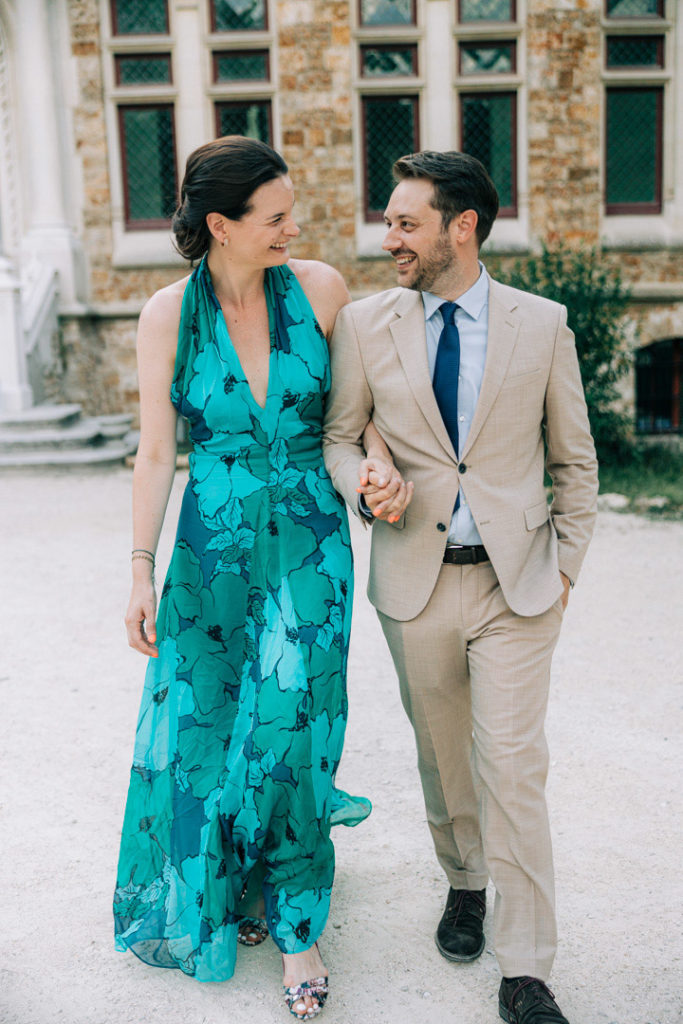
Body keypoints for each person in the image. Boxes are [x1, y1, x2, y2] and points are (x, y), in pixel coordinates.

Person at [114, 135, 408, 1021]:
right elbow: (156, 452)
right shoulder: (167, 315)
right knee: (213, 722)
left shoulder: (319, 289)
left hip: (312, 541)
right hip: (211, 553)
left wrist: (379, 469)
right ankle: (236, 873)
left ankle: (296, 917)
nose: (292, 228)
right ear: (222, 226)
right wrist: (138, 569)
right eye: (274, 217)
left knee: (293, 719)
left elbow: (360, 417)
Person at [323, 150, 599, 1024]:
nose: (389, 237)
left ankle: (526, 970)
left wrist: (563, 571)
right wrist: (363, 475)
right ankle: (464, 884)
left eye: (406, 222)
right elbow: (337, 436)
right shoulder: (365, 324)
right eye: (390, 221)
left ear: (461, 227)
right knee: (445, 766)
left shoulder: (541, 323)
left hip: (516, 588)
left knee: (513, 770)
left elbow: (574, 463)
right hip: (415, 582)